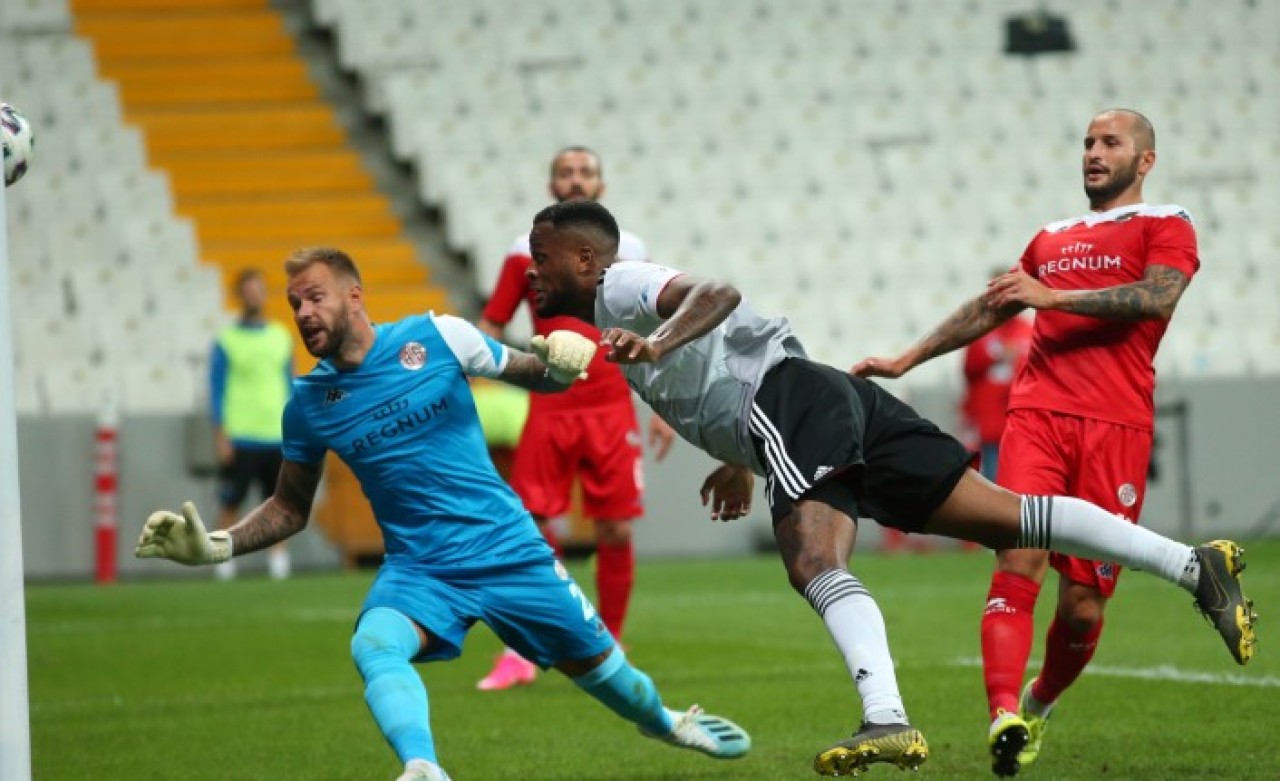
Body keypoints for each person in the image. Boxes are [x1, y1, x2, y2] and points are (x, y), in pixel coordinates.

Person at [525, 198, 1255, 778]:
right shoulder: (608, 310)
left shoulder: (619, 285)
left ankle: (886, 714)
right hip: (822, 398)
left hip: (794, 404)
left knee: (815, 562)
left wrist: (658, 345)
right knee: (1009, 518)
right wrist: (744, 455)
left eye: (541, 256)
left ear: (587, 259)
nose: (531, 272)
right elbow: (757, 349)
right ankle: (1192, 565)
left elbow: (720, 290)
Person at [135, 247, 751, 781]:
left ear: (355, 296)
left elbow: (534, 373)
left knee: (610, 677)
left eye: (314, 298)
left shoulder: (437, 337)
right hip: (421, 569)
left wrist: (561, 369)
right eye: (294, 304)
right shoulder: (308, 404)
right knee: (375, 644)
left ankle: (666, 722)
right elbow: (288, 509)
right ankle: (423, 766)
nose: (302, 314)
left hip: (509, 551)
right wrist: (216, 546)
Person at [853, 108, 1213, 776]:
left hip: (1116, 426)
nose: (1094, 153)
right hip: (1037, 415)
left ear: (1146, 160)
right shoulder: (1050, 236)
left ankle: (1038, 702)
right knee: (1018, 561)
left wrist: (1050, 299)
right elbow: (994, 306)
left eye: (1111, 142)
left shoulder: (1168, 221)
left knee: (1082, 607)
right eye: (1087, 143)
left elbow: (1158, 298)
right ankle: (1001, 716)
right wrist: (907, 358)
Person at [475, 145, 676, 691]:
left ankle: (610, 642)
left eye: (586, 171)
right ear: (551, 186)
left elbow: (657, 330)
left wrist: (664, 405)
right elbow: (492, 323)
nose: (576, 179)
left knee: (613, 526)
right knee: (534, 529)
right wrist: (462, 371)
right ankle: (525, 648)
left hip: (612, 406)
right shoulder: (525, 253)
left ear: (602, 186)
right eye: (566, 172)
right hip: (549, 402)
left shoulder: (629, 250)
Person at [209, 268, 294, 581]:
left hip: (276, 433)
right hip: (241, 433)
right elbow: (216, 389)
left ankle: (278, 559)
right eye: (248, 291)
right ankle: (223, 555)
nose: (254, 296)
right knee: (231, 499)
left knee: (279, 503)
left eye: (258, 290)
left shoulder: (280, 336)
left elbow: (290, 384)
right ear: (239, 296)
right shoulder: (226, 341)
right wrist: (221, 434)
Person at [959, 271, 1034, 483]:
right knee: (991, 481)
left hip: (1020, 422)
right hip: (988, 423)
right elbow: (968, 370)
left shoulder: (1028, 330)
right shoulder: (981, 329)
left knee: (1019, 482)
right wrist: (996, 357)